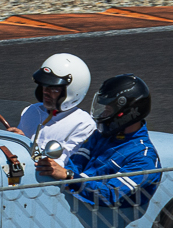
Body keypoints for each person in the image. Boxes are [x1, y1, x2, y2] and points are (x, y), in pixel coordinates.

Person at [38, 73, 161, 209]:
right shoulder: (100, 135)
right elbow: (76, 162)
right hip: (75, 201)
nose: (103, 114)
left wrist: (70, 178)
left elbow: (110, 195)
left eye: (108, 110)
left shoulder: (143, 158)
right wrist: (68, 175)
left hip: (99, 215)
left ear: (126, 113)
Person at [17, 53, 94, 161]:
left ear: (73, 90)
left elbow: (64, 163)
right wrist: (16, 140)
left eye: (53, 88)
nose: (45, 91)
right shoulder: (31, 111)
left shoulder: (83, 125)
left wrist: (28, 147)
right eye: (43, 85)